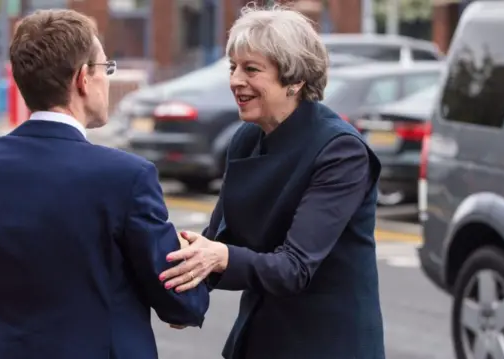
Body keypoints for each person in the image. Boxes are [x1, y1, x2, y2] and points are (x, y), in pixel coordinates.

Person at [0, 9, 209, 359]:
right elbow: (180, 301)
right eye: (105, 68)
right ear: (82, 78)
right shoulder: (126, 176)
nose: (107, 79)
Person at [159, 5, 385, 359]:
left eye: (251, 69)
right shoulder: (246, 139)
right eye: (233, 67)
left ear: (295, 80)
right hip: (261, 338)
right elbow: (220, 239)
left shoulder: (341, 152)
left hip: (326, 344)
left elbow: (294, 268)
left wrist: (216, 258)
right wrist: (187, 286)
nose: (235, 80)